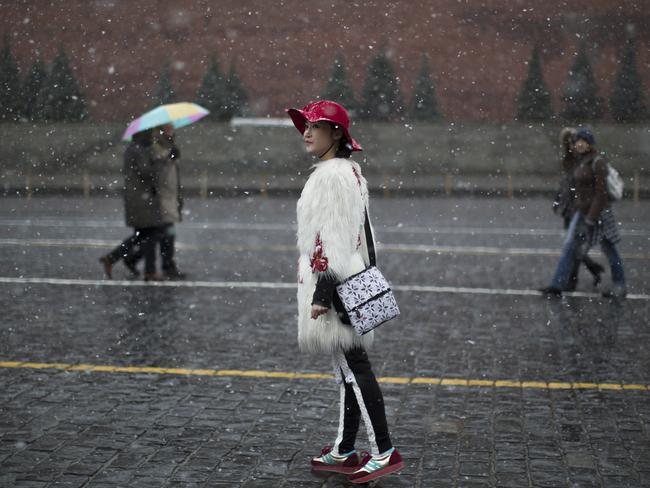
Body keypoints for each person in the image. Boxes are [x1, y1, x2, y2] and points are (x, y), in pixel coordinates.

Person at [287, 100, 403, 484]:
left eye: (315, 126)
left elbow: (333, 241)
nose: (306, 131)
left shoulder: (332, 176)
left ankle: (383, 450)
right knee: (348, 370)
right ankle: (344, 448)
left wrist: (322, 294)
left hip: (336, 283)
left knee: (356, 369)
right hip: (347, 277)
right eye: (305, 125)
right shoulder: (347, 172)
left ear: (337, 133)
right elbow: (360, 235)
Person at [541, 128, 626, 298]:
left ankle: (620, 285)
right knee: (570, 246)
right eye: (577, 141)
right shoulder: (579, 161)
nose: (579, 144)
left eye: (583, 141)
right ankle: (557, 285)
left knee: (610, 249)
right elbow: (569, 182)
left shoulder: (597, 162)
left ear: (590, 143)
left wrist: (590, 218)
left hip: (598, 214)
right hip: (581, 212)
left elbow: (600, 195)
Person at [100, 128, 166, 281]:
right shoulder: (139, 150)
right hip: (142, 199)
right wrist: (159, 160)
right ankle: (148, 270)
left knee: (144, 234)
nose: (153, 137)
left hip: (138, 198)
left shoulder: (135, 148)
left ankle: (114, 258)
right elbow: (146, 172)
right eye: (150, 134)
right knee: (151, 233)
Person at [552, 127, 604, 290]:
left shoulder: (579, 159)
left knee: (572, 244)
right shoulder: (568, 159)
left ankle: (573, 278)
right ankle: (591, 268)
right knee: (572, 244)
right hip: (569, 206)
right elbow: (565, 184)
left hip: (576, 207)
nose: (572, 144)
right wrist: (557, 200)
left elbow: (575, 184)